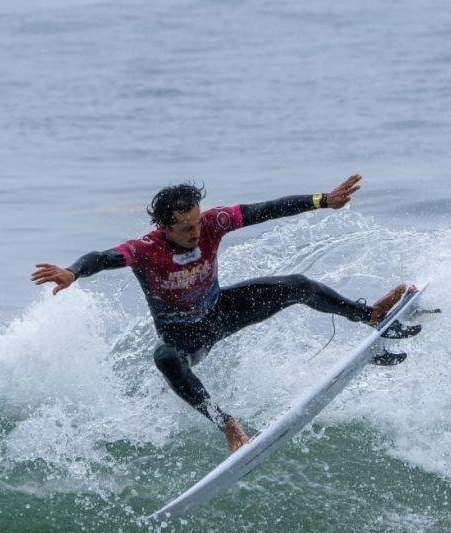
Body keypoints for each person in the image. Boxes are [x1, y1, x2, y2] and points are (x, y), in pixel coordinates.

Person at [31, 174, 415, 453]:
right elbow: (102, 257)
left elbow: (265, 210)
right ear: (163, 226)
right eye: (184, 228)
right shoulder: (145, 249)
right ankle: (228, 426)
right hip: (185, 337)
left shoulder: (212, 223)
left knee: (296, 284)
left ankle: (368, 315)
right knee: (164, 357)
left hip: (221, 311)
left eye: (197, 222)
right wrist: (73, 271)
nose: (196, 232)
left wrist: (322, 200)